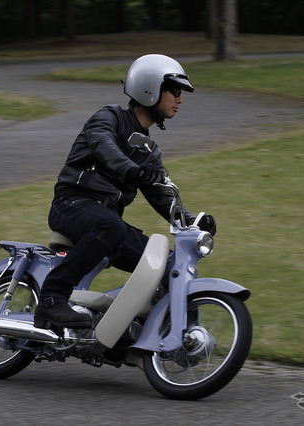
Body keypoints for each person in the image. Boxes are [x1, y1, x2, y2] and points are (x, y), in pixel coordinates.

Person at [33, 54, 217, 330]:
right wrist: (130, 169)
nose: (179, 99)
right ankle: (50, 300)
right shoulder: (108, 118)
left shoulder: (148, 149)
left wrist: (190, 220)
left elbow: (160, 193)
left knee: (166, 264)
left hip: (106, 222)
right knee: (111, 226)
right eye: (174, 91)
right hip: (72, 205)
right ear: (150, 88)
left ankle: (141, 332)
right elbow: (102, 145)